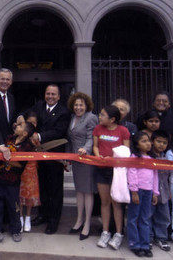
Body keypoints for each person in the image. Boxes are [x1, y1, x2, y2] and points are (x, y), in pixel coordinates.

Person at [26, 84, 71, 234]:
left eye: (53, 94)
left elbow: (59, 131)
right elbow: (27, 115)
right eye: (48, 94)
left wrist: (38, 136)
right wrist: (21, 120)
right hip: (39, 155)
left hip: (54, 157)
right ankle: (42, 215)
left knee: (55, 190)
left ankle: (53, 221)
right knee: (43, 188)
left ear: (58, 96)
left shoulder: (64, 112)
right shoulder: (39, 106)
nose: (50, 97)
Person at [0, 120, 36, 243]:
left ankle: (16, 231)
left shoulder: (28, 147)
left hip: (13, 181)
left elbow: (20, 164)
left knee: (14, 206)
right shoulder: (8, 138)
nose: (16, 125)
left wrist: (6, 159)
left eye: (20, 125)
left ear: (25, 133)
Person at [93, 105, 130, 250]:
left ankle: (119, 234)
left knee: (116, 202)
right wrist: (98, 157)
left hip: (117, 172)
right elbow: (95, 146)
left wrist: (114, 159)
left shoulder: (123, 131)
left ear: (112, 119)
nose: (100, 117)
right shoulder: (98, 129)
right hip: (101, 169)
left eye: (103, 115)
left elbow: (126, 151)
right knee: (105, 202)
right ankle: (105, 231)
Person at [66, 92, 98, 241]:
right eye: (76, 105)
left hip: (86, 158)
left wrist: (86, 149)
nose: (78, 107)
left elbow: (91, 137)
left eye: (81, 105)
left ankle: (87, 223)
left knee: (87, 191)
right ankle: (79, 220)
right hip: (76, 159)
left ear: (86, 106)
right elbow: (70, 139)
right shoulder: (72, 118)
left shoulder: (91, 117)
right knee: (79, 190)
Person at [127, 131, 159, 258]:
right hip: (138, 190)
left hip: (148, 191)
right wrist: (134, 191)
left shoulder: (152, 159)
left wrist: (155, 192)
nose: (148, 144)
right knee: (134, 217)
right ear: (137, 144)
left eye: (148, 141)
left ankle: (145, 244)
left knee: (145, 218)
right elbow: (132, 173)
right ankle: (134, 243)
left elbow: (155, 176)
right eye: (144, 141)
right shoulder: (134, 158)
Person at [150, 130, 172, 252]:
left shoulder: (167, 157)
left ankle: (161, 237)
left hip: (163, 192)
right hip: (150, 192)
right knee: (148, 215)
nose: (161, 145)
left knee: (163, 216)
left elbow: (168, 177)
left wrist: (169, 191)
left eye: (164, 142)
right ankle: (148, 237)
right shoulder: (148, 157)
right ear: (152, 142)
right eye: (158, 141)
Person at [19, 112, 40, 233]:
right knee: (20, 193)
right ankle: (20, 217)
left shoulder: (36, 136)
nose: (32, 124)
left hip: (32, 168)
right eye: (30, 122)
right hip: (21, 167)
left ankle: (28, 217)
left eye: (34, 122)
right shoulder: (21, 134)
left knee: (30, 193)